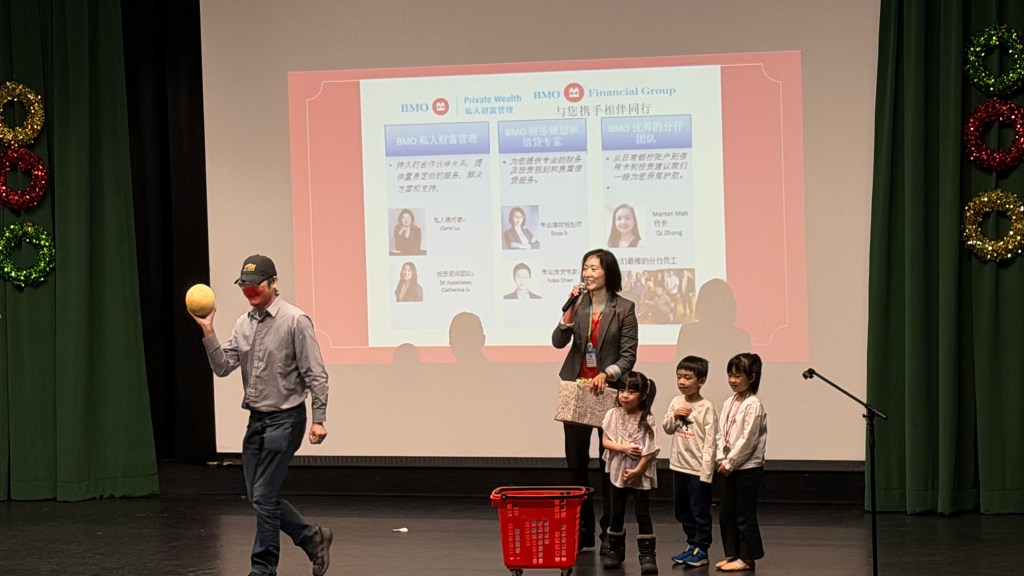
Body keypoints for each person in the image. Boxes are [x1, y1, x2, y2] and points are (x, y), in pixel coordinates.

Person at [190, 254, 333, 576]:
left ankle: (263, 569)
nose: (250, 291)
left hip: (286, 420)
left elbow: (316, 374)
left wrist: (319, 419)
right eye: (245, 285)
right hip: (256, 422)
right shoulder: (243, 324)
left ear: (272, 284)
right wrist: (208, 331)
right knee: (258, 497)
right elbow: (222, 367)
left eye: (256, 285)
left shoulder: (295, 321)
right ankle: (312, 537)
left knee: (265, 497)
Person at [552, 248, 638, 555]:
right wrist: (567, 315)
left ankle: (609, 533)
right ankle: (581, 532)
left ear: (608, 273)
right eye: (585, 268)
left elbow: (628, 355)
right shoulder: (579, 303)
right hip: (577, 389)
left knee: (608, 465)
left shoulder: (624, 308)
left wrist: (607, 373)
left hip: (608, 392)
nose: (587, 274)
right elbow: (558, 342)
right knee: (576, 465)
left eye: (594, 269)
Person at [601, 371, 660, 574]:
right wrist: (623, 448)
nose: (625, 395)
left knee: (642, 512)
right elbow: (606, 441)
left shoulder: (647, 418)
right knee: (616, 511)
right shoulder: (613, 414)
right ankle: (615, 550)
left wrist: (638, 470)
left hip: (639, 473)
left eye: (632, 391)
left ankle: (647, 555)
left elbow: (651, 449)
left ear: (643, 395)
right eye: (622, 390)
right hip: (618, 470)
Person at [663, 355, 718, 568]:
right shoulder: (676, 402)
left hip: (697, 469)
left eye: (687, 377)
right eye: (679, 377)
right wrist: (675, 416)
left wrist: (707, 471)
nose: (682, 382)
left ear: (701, 381)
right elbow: (668, 428)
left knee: (699, 511)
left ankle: (702, 549)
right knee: (682, 510)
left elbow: (711, 441)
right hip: (679, 466)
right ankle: (692, 544)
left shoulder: (706, 407)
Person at [715, 353, 768, 572]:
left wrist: (731, 463)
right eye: (730, 375)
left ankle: (747, 557)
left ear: (752, 377)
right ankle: (733, 553)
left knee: (744, 513)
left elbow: (748, 440)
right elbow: (721, 433)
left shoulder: (753, 405)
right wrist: (721, 457)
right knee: (727, 512)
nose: (732, 380)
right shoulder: (729, 402)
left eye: (738, 376)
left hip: (747, 468)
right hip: (729, 465)